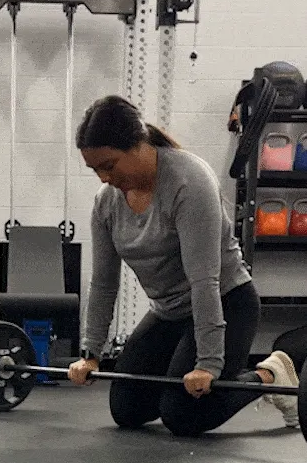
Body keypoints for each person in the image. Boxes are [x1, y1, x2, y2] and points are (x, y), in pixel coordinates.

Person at [68, 95, 300, 436]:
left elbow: (204, 280)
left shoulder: (188, 182)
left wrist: (207, 364)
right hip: (169, 312)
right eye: (95, 169)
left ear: (136, 145)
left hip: (226, 301)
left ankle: (270, 374)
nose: (104, 177)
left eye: (110, 164)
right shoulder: (107, 203)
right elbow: (103, 283)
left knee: (182, 415)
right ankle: (182, 380)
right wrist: (91, 353)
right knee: (127, 410)